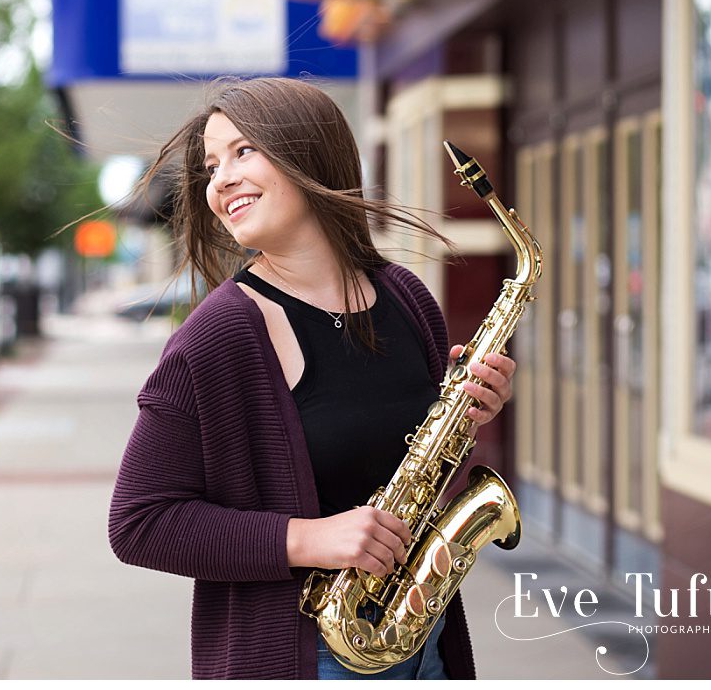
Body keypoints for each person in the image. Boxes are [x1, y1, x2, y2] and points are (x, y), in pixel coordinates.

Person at [107, 77, 519, 679]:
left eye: (244, 151)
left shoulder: (406, 297)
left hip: (421, 643)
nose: (220, 181)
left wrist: (470, 408)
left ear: (309, 151)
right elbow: (139, 523)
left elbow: (416, 469)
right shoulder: (215, 338)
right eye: (211, 166)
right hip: (300, 657)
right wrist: (308, 539)